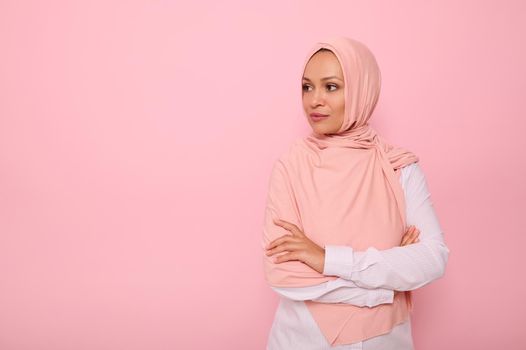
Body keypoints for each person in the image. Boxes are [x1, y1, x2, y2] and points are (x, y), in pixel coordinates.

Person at [261, 36, 450, 350]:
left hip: (385, 341)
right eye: (307, 87)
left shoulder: (398, 167)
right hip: (302, 340)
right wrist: (386, 287)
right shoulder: (290, 167)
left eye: (331, 86)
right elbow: (282, 274)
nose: (314, 100)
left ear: (363, 89)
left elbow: (433, 257)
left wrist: (326, 259)